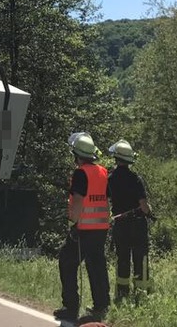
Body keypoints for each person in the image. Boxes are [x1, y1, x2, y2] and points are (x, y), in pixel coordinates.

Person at [55, 131, 110, 324]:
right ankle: (101, 305)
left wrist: (72, 221)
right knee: (97, 265)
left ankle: (70, 308)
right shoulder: (103, 171)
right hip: (101, 228)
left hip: (84, 228)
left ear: (77, 155)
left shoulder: (80, 173)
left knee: (67, 262)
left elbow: (78, 200)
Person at [107, 139, 152, 301]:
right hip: (138, 225)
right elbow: (144, 206)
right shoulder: (136, 179)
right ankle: (141, 295)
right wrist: (149, 212)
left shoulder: (110, 179)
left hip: (120, 226)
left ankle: (122, 294)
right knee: (140, 259)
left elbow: (107, 199)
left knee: (123, 259)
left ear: (116, 159)